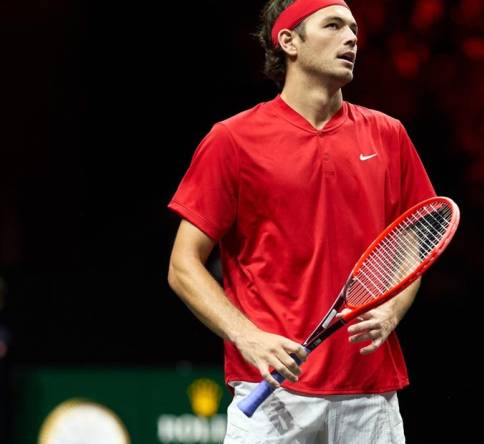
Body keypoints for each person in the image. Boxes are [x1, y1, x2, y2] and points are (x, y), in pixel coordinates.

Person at [166, 0, 436, 442]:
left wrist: (393, 307)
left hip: (369, 398)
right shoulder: (233, 140)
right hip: (270, 394)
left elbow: (413, 238)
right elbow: (183, 265)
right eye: (333, 25)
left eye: (353, 28)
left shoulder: (388, 135)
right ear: (288, 41)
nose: (352, 38)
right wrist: (248, 337)